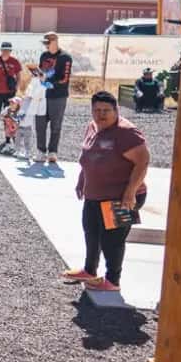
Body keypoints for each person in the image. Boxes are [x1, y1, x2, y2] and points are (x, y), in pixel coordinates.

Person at [62, 92, 150, 292]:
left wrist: (130, 192)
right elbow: (87, 156)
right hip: (95, 193)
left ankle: (112, 280)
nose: (101, 115)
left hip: (121, 197)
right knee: (91, 232)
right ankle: (89, 270)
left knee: (113, 240)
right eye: (97, 110)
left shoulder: (127, 133)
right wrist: (82, 180)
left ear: (116, 110)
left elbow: (143, 162)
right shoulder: (92, 127)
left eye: (106, 111)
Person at [37, 32, 74, 165]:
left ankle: (53, 152)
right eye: (44, 43)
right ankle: (41, 150)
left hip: (58, 95)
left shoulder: (65, 57)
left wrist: (51, 84)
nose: (46, 46)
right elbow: (41, 71)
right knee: (40, 123)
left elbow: (65, 78)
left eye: (47, 43)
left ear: (55, 41)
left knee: (55, 125)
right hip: (42, 95)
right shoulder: (44, 55)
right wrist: (38, 76)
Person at [0, 42, 23, 147]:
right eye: (4, 50)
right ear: (1, 50)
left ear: (10, 51)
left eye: (8, 50)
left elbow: (19, 76)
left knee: (9, 115)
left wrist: (17, 88)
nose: (6, 52)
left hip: (10, 93)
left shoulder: (15, 62)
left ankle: (8, 137)